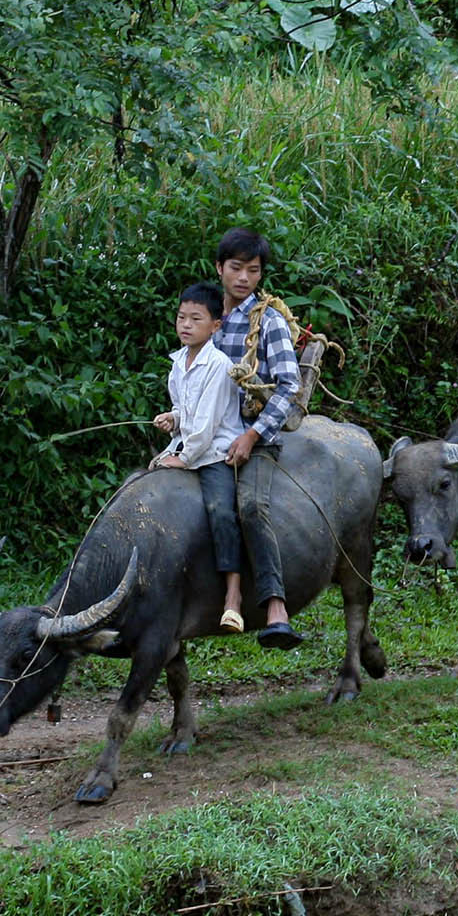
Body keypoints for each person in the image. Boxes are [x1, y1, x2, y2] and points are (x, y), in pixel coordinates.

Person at [213, 227, 304, 651]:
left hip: (255, 437)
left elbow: (289, 386)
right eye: (237, 268)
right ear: (220, 269)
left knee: (251, 506)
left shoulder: (267, 320)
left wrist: (252, 436)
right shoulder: (206, 317)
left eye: (253, 270)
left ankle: (275, 607)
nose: (245, 278)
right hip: (207, 436)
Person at [151, 282, 248, 633]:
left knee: (222, 512)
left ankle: (233, 595)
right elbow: (186, 410)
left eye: (195, 319)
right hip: (184, 446)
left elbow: (206, 426)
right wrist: (172, 418)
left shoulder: (219, 365)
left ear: (215, 326)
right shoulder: (178, 362)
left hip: (213, 453)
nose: (185, 325)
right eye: (181, 317)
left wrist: (184, 457)